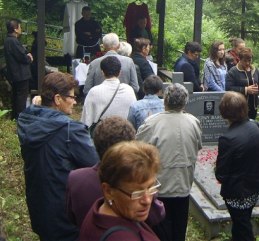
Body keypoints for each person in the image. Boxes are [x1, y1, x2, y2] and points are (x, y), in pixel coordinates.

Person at [17, 72, 99, 241]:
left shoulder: (28, 120)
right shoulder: (70, 130)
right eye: (72, 96)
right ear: (57, 99)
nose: (75, 101)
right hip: (65, 210)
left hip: (39, 205)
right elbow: (95, 163)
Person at [66, 117, 165, 231]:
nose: (146, 199)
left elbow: (71, 217)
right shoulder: (138, 180)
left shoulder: (75, 178)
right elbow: (156, 216)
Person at [136, 83, 202, 241]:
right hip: (183, 185)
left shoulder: (151, 123)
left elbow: (138, 149)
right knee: (179, 229)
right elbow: (198, 146)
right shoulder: (193, 122)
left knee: (161, 231)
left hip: (160, 186)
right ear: (185, 103)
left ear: (164, 101)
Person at [78, 140, 161, 240]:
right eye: (137, 193)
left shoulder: (101, 209)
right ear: (108, 191)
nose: (147, 200)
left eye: (150, 188)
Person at [215, 92, 259, 241]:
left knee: (243, 228)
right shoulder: (255, 125)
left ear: (224, 111)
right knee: (241, 224)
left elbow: (221, 175)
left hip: (238, 194)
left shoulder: (228, 139)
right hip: (255, 187)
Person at [81, 56, 137, 129]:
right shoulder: (129, 90)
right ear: (120, 72)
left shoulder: (94, 92)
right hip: (123, 132)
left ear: (102, 72)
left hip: (101, 133)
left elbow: (86, 120)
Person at [4, 18, 33, 119]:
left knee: (17, 95)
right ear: (15, 29)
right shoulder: (12, 41)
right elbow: (21, 57)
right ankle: (20, 116)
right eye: (19, 27)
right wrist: (29, 58)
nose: (21, 29)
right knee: (21, 96)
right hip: (20, 74)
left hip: (15, 73)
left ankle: (15, 115)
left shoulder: (9, 40)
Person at [225, 47, 259, 119]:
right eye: (245, 61)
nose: (247, 63)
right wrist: (246, 90)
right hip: (239, 107)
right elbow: (228, 88)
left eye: (249, 60)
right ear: (240, 59)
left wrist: (258, 88)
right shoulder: (233, 71)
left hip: (253, 107)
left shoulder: (255, 70)